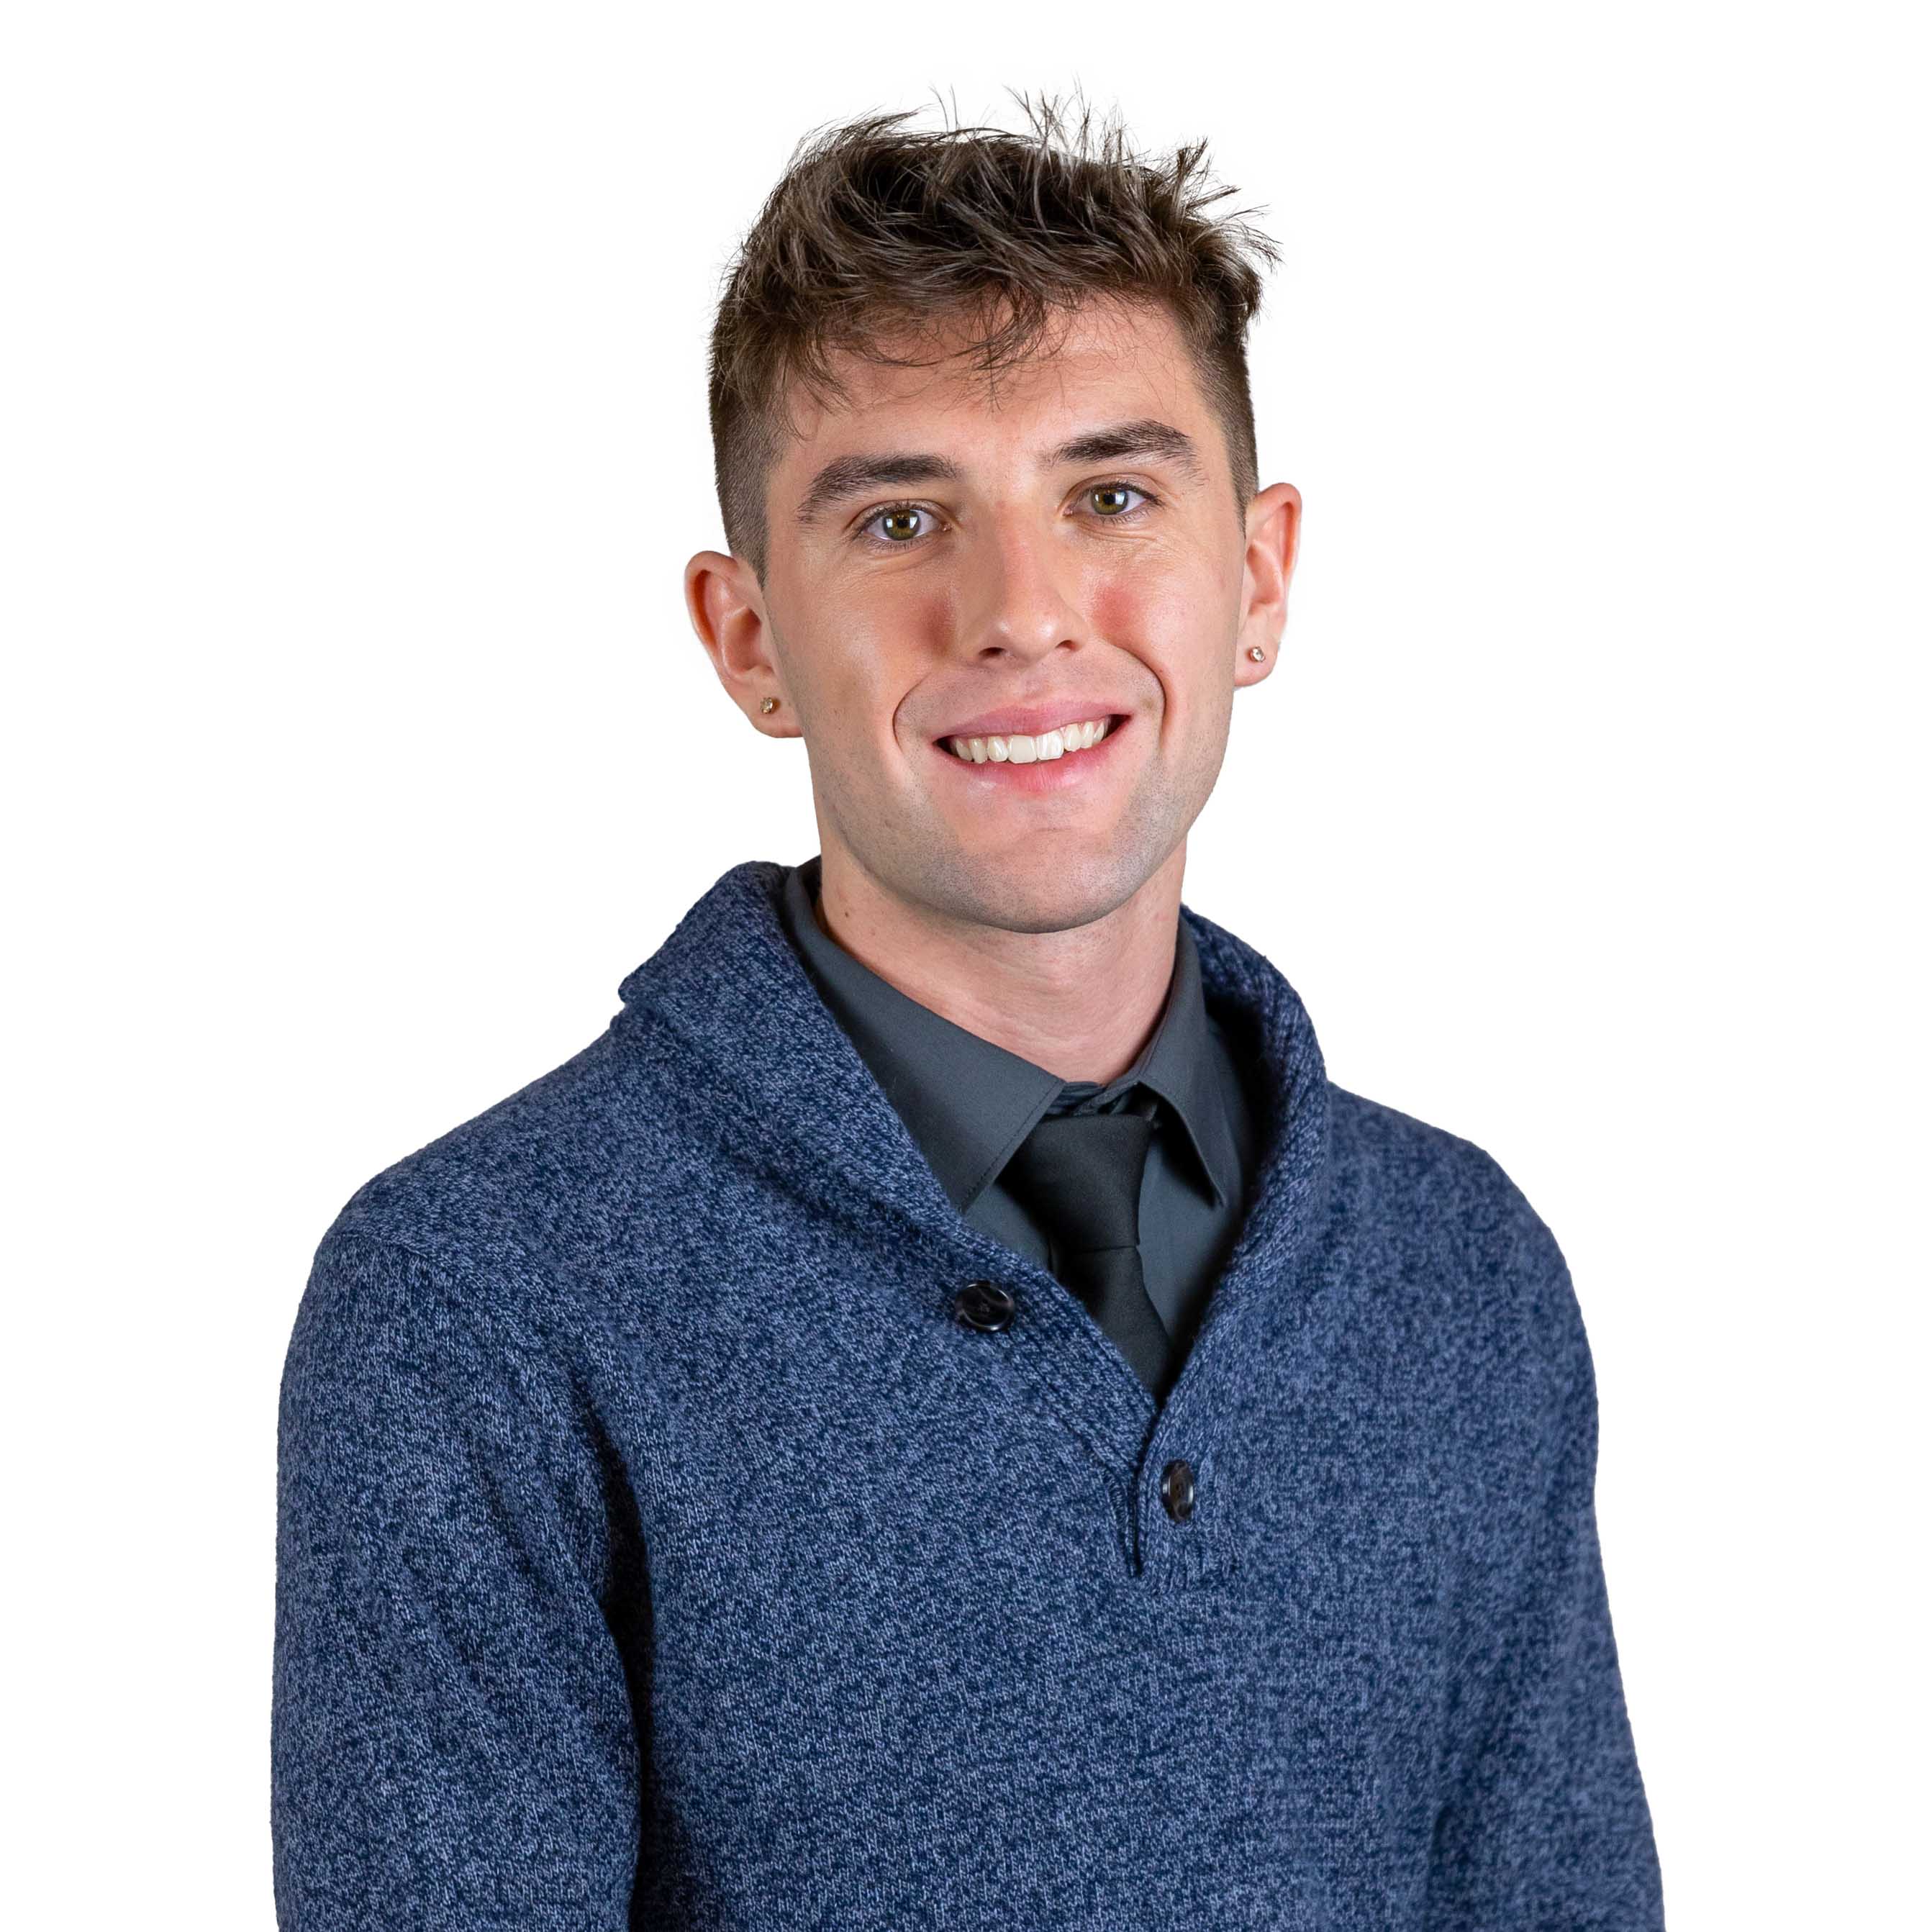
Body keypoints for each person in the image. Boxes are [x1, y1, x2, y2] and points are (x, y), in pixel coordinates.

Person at [272, 96, 1666, 1928]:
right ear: (748, 638)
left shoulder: (1456, 1266)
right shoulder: (476, 1295)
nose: (1019, 613)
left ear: (1255, 580)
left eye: (1110, 495)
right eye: (902, 517)